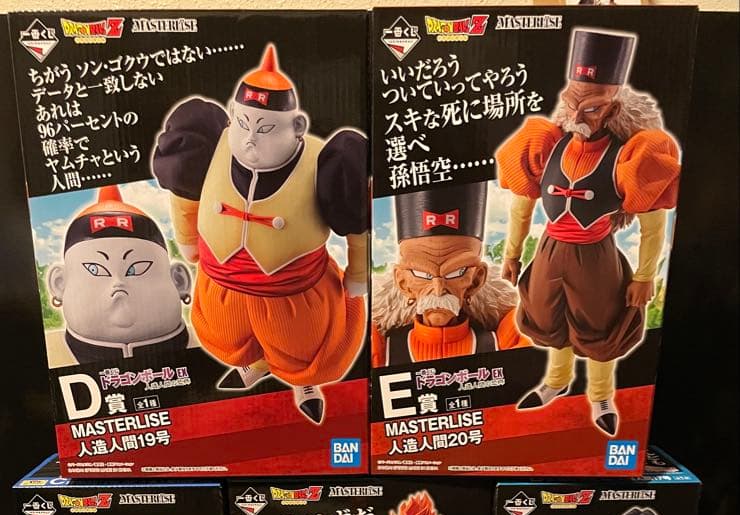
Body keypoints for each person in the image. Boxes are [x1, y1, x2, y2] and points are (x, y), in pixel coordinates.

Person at [152, 43, 368, 425]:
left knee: (300, 348)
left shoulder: (325, 161)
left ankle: (302, 383)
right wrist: (187, 240)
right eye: (242, 123)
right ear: (230, 116)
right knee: (231, 338)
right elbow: (184, 196)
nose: (250, 138)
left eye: (265, 128)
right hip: (222, 286)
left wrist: (358, 273)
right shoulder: (208, 146)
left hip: (294, 293)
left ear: (297, 127)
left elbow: (356, 223)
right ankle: (256, 364)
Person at [496, 28, 681, 435]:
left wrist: (644, 277)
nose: (578, 118)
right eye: (572, 105)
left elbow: (653, 226)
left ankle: (599, 396)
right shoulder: (546, 145)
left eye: (593, 108)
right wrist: (512, 254)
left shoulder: (629, 156)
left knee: (600, 328)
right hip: (549, 251)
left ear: (614, 108)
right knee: (549, 319)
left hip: (596, 255)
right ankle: (556, 382)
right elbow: (522, 205)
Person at [371, 183, 529, 366]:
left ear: (477, 280)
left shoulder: (505, 339)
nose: (438, 290)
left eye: (455, 272)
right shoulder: (379, 350)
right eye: (422, 274)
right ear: (402, 282)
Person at [46, 185, 192, 367]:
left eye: (136, 269)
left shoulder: (212, 345)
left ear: (179, 281)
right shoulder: (45, 355)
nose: (118, 283)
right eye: (95, 269)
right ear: (59, 284)